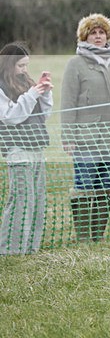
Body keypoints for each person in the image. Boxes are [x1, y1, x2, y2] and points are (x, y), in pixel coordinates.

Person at [60, 13, 110, 242]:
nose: (98, 37)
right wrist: (67, 136)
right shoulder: (75, 64)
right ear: (84, 36)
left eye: (101, 33)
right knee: (85, 186)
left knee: (105, 186)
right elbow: (67, 102)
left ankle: (97, 235)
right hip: (85, 138)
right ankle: (84, 237)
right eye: (93, 33)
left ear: (108, 36)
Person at [0, 42, 53, 255]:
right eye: (20, 65)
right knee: (22, 201)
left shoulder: (26, 81)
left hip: (36, 149)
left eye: (26, 65)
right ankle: (10, 250)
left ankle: (31, 247)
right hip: (17, 151)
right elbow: (12, 117)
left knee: (38, 202)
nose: (24, 70)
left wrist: (45, 93)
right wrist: (31, 95)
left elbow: (43, 114)